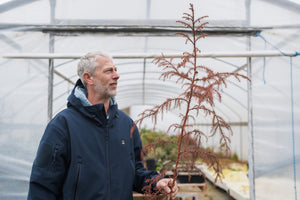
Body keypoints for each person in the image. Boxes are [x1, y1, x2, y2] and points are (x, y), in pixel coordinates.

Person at [28, 51, 178, 200]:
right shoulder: (63, 125)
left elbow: (136, 172)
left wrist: (156, 182)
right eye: (108, 71)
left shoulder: (127, 125)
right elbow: (43, 185)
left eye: (116, 70)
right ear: (89, 78)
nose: (116, 75)